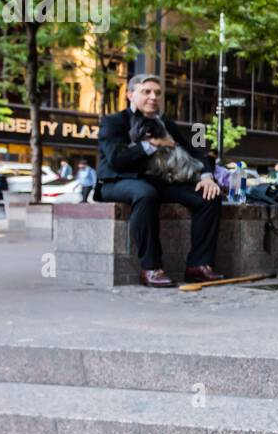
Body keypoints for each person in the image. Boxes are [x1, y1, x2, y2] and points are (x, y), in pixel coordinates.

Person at [96, 74, 223, 288]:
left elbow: (195, 150)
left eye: (157, 93)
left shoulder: (166, 124)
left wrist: (207, 176)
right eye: (146, 92)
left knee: (208, 196)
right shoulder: (113, 122)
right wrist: (153, 144)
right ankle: (151, 268)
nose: (153, 97)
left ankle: (198, 266)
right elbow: (117, 160)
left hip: (158, 182)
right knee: (145, 193)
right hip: (116, 181)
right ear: (130, 95)